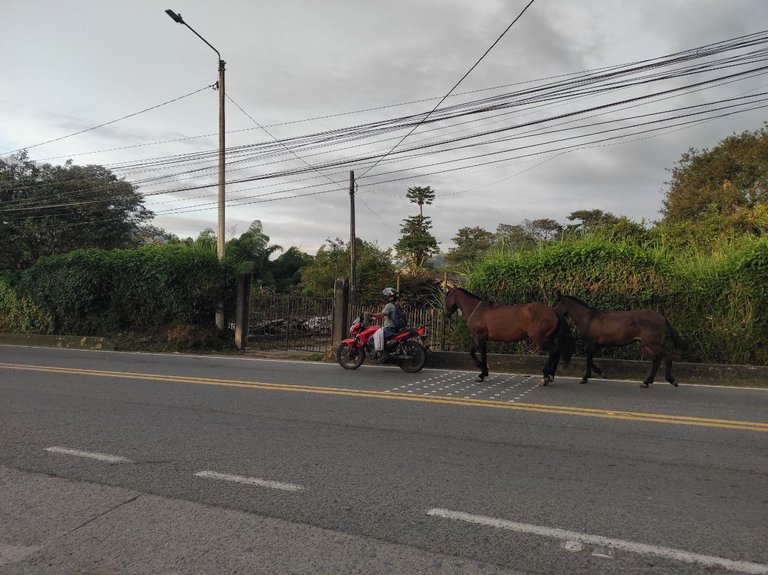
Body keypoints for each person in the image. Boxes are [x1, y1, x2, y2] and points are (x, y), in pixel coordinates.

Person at [366, 287, 406, 361]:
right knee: (378, 333)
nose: (385, 297)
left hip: (389, 329)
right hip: (394, 328)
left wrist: (371, 314)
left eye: (386, 296)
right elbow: (385, 316)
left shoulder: (389, 306)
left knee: (371, 339)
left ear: (389, 297)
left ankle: (383, 354)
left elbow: (381, 315)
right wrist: (373, 318)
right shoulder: (395, 305)